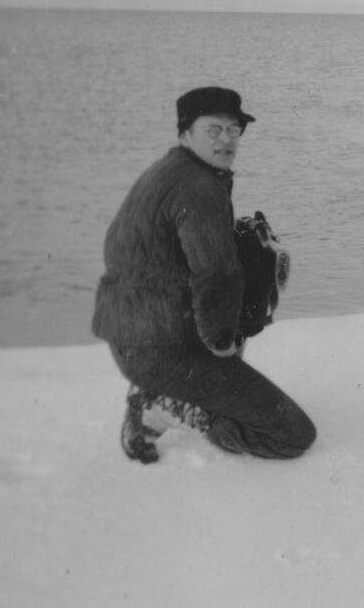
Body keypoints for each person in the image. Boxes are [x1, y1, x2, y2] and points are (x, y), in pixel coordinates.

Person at [92, 86, 316, 463]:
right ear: (185, 133)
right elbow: (216, 274)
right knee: (292, 433)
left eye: (233, 130)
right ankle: (178, 408)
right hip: (160, 351)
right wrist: (220, 342)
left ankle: (159, 391)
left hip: (131, 338)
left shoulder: (170, 169)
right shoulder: (200, 188)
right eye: (213, 130)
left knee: (245, 259)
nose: (226, 140)